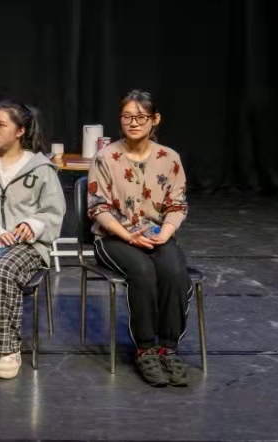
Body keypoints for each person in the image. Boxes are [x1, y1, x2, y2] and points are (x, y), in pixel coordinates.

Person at [86, 89, 192, 387]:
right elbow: (98, 208)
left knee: (174, 272)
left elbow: (177, 205)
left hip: (155, 235)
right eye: (127, 117)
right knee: (142, 271)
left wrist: (165, 235)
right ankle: (145, 349)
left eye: (141, 117)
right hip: (113, 237)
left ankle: (167, 348)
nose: (133, 123)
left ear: (155, 119)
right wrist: (128, 236)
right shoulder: (106, 157)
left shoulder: (169, 158)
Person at [0, 101, 66, 377]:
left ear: (20, 131)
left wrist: (33, 225)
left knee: (4, 269)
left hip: (27, 245)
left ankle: (8, 349)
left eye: (1, 125)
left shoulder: (41, 168)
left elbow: (53, 210)